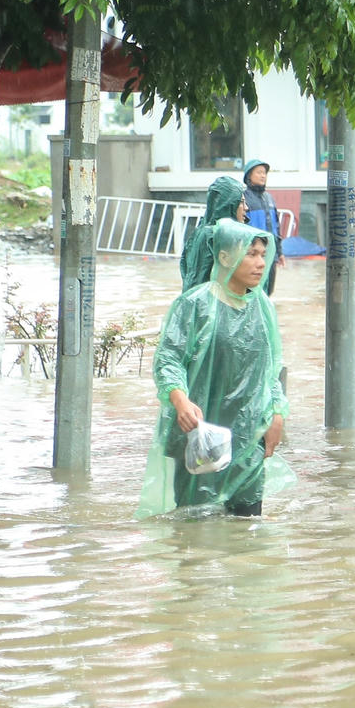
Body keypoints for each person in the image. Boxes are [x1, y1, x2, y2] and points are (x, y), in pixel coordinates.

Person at [138, 218, 293, 518]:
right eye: (251, 254)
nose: (260, 263)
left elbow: (270, 369)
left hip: (249, 440)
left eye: (263, 254)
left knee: (246, 535)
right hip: (199, 435)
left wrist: (277, 415)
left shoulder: (262, 308)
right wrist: (180, 400)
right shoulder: (195, 305)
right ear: (224, 257)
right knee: (194, 533)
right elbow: (169, 359)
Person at [180, 175, 248, 293]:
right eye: (241, 202)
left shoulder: (206, 232)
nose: (246, 208)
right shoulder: (212, 236)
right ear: (228, 204)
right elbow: (199, 283)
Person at [241, 159, 285, 294]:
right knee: (251, 291)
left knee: (268, 291)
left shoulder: (269, 198)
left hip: (269, 253)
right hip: (252, 253)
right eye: (259, 172)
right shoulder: (243, 198)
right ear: (249, 176)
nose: (263, 176)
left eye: (264, 173)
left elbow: (275, 227)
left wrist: (279, 252)